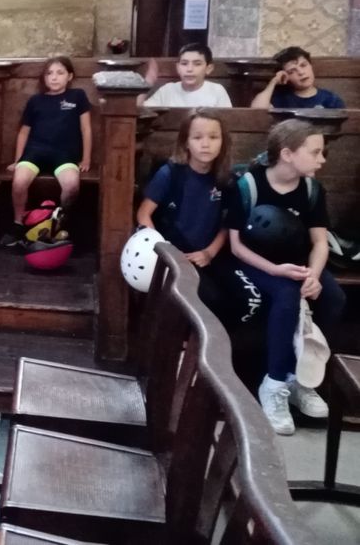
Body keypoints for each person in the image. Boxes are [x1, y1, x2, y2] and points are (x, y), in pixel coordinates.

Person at [226, 119, 345, 435]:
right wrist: (275, 270)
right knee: (285, 295)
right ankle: (275, 383)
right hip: (258, 263)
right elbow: (235, 245)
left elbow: (319, 242)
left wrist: (314, 276)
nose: (322, 160)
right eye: (316, 152)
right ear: (288, 154)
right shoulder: (248, 185)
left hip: (299, 264)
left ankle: (303, 380)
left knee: (333, 297)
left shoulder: (311, 189)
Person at [136, 109, 235, 321]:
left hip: (206, 256)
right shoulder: (170, 174)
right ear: (185, 142)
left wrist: (209, 253)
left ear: (223, 142)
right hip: (171, 254)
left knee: (231, 299)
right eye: (197, 137)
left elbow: (228, 224)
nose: (205, 144)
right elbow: (144, 214)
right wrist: (165, 252)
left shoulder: (226, 179)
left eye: (213, 137)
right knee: (200, 298)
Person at [3, 57, 92, 247]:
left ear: (70, 76)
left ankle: (59, 223)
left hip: (64, 154)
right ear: (44, 78)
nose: (54, 77)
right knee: (18, 182)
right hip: (35, 152)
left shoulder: (78, 96)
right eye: (49, 73)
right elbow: (24, 131)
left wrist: (86, 158)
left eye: (60, 73)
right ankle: (18, 224)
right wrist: (18, 159)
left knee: (71, 186)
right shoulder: (36, 100)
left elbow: (86, 129)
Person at [251, 46, 345, 110]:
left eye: (303, 65)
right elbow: (257, 111)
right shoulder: (281, 98)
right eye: (292, 71)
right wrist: (274, 81)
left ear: (311, 66)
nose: (301, 72)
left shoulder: (330, 99)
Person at [141, 43, 233, 107]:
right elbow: (137, 110)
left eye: (197, 64)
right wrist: (148, 82)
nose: (189, 69)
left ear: (208, 69)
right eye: (184, 64)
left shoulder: (217, 91)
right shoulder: (167, 90)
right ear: (178, 68)